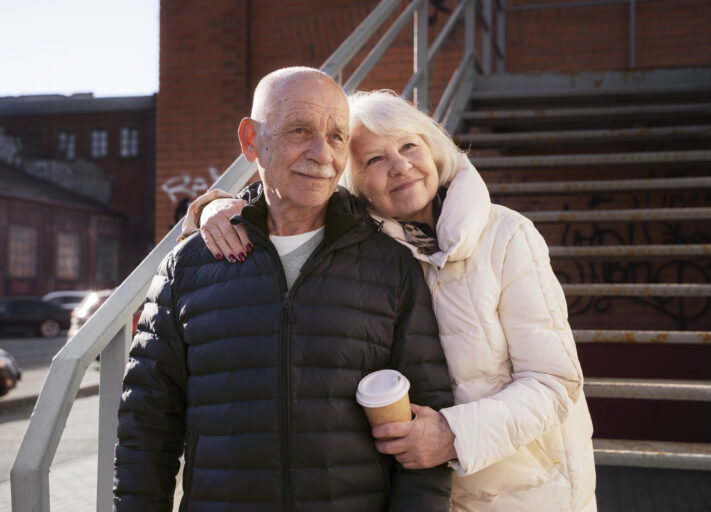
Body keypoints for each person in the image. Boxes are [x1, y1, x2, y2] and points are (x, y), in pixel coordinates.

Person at [190, 89, 597, 511]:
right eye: (374, 160)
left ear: (433, 148)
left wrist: (452, 435)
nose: (400, 166)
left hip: (530, 491)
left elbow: (554, 381)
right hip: (427, 497)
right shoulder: (362, 250)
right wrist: (218, 210)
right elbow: (286, 202)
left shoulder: (507, 236)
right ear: (354, 182)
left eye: (408, 146)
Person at [113, 69, 454, 511]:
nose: (322, 154)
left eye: (336, 137)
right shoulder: (189, 266)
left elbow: (425, 433)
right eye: (300, 130)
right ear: (251, 140)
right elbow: (146, 425)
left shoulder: (392, 268)